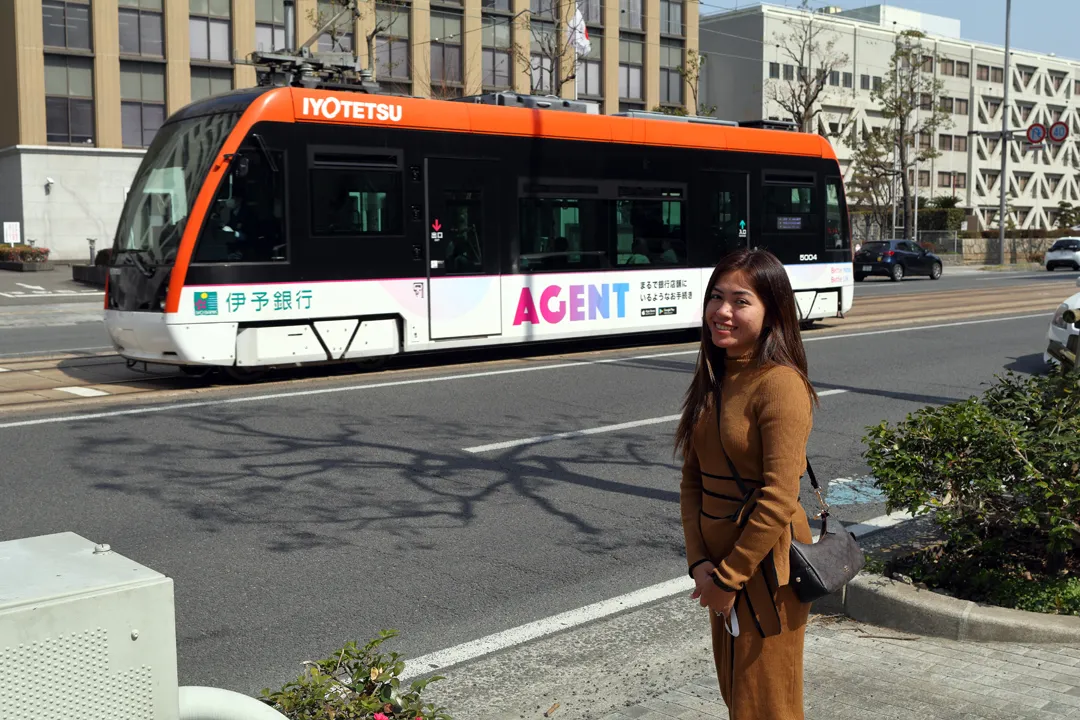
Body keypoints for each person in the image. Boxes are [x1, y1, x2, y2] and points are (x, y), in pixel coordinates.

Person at [674, 248, 819, 720]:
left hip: (764, 569)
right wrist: (700, 563)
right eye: (716, 297)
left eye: (740, 301)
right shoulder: (716, 377)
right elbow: (692, 479)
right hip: (719, 567)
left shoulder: (779, 384)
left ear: (772, 311)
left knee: (766, 704)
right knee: (737, 695)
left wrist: (730, 577)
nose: (722, 311)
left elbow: (780, 497)